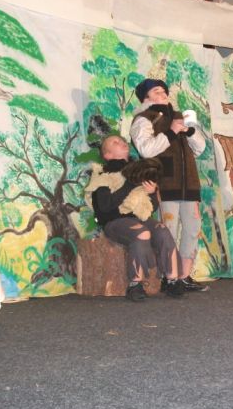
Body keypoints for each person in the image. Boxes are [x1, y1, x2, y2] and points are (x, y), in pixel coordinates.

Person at [130, 78, 209, 292]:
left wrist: (190, 131)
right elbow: (146, 149)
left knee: (192, 229)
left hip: (189, 183)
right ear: (146, 97)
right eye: (156, 91)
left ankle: (184, 276)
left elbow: (200, 149)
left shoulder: (178, 117)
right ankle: (169, 276)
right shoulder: (144, 119)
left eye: (163, 90)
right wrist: (171, 132)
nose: (162, 93)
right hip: (164, 183)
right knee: (169, 231)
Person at [86, 135, 185, 301]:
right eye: (115, 142)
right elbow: (104, 208)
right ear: (107, 154)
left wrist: (152, 193)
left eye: (122, 140)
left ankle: (172, 280)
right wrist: (129, 183)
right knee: (141, 232)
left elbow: (150, 208)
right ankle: (135, 284)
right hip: (115, 222)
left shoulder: (139, 171)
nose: (122, 142)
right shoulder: (102, 175)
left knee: (162, 230)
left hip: (139, 218)